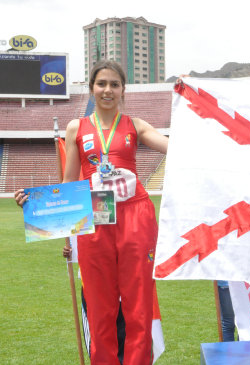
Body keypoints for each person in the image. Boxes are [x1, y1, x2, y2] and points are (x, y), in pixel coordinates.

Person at [16, 59, 169, 364]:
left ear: (123, 90)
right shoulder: (77, 128)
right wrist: (40, 207)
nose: (108, 90)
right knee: (100, 309)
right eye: (102, 84)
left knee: (138, 306)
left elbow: (174, 149)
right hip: (95, 215)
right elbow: (69, 182)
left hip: (135, 215)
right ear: (91, 89)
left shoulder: (136, 125)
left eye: (114, 84)